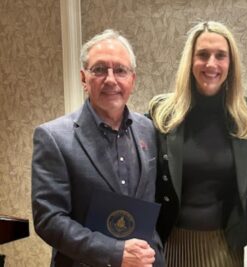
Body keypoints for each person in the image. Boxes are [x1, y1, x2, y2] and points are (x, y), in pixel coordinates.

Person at [31, 29, 164, 267]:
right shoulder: (53, 137)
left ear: (132, 80)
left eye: (120, 70)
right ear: (84, 78)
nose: (111, 79)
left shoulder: (149, 130)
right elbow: (49, 220)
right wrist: (115, 253)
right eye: (100, 69)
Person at [148, 21, 247, 267]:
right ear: (190, 61)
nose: (211, 64)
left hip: (225, 246)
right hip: (172, 243)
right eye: (202, 55)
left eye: (221, 55)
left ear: (231, 64)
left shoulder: (246, 113)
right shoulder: (162, 113)